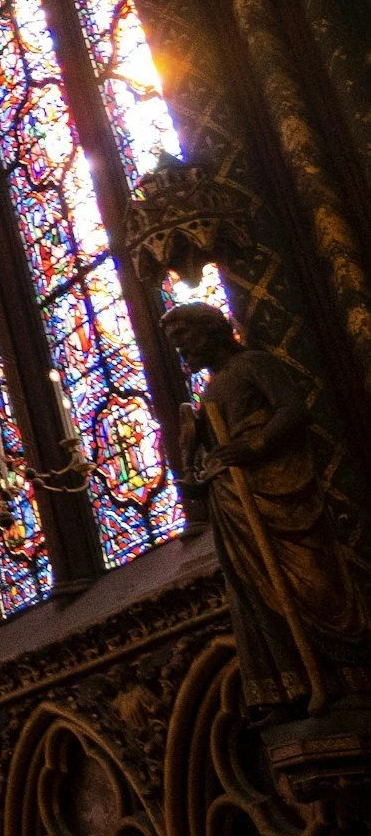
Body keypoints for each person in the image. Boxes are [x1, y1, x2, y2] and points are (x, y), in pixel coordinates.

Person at [164, 301, 371, 715]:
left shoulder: (252, 364)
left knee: (310, 580)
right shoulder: (210, 388)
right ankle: (292, 681)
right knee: (255, 586)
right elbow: (214, 452)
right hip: (234, 502)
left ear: (209, 329)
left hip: (276, 488)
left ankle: (345, 669)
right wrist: (196, 459)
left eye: (183, 338)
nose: (181, 351)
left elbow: (293, 410)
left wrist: (254, 445)